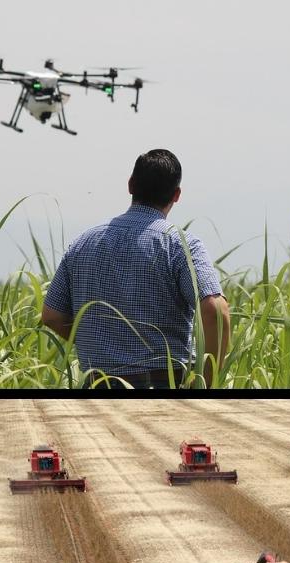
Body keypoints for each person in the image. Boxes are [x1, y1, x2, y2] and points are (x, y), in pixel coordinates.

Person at [41, 149, 231, 388]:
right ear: (176, 195)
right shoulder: (181, 244)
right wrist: (206, 382)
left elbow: (51, 316)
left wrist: (101, 342)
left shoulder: (83, 243)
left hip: (98, 385)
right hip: (164, 385)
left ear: (130, 185)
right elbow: (215, 311)